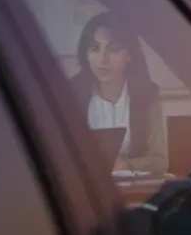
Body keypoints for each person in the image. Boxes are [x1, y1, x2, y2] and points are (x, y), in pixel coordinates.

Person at [70, 11, 168, 175]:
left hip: (133, 190)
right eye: (94, 48)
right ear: (86, 53)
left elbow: (160, 162)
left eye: (113, 49)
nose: (103, 59)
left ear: (129, 55)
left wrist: (126, 165)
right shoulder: (71, 93)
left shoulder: (147, 94)